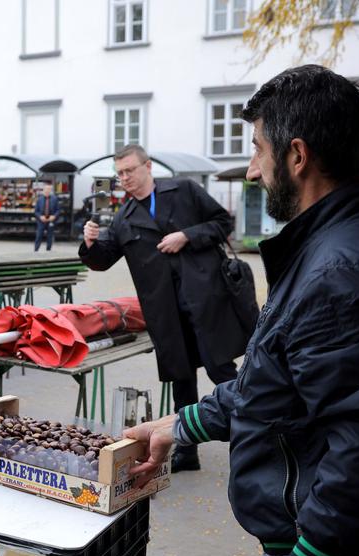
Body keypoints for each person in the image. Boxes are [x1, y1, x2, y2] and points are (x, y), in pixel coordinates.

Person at [126, 65, 359, 556]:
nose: (252, 170)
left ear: (297, 154)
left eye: (258, 150)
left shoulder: (340, 270)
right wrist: (178, 426)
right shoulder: (335, 246)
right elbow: (277, 388)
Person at [80, 144, 253, 472]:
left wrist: (186, 236)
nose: (125, 178)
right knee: (181, 377)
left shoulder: (184, 190)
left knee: (221, 370)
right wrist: (89, 244)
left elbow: (222, 223)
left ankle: (254, 433)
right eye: (120, 173)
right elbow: (103, 260)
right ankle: (187, 452)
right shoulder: (123, 218)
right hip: (165, 311)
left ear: (148, 167)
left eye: (130, 170)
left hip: (203, 299)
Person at [33, 183, 60, 251]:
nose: (47, 190)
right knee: (39, 235)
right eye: (46, 189)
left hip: (51, 221)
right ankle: (36, 250)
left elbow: (58, 210)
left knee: (50, 236)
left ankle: (48, 250)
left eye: (49, 189)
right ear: (43, 190)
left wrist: (54, 216)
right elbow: (36, 211)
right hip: (41, 221)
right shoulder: (39, 199)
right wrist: (40, 217)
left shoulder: (55, 199)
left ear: (51, 190)